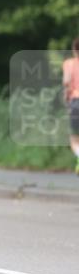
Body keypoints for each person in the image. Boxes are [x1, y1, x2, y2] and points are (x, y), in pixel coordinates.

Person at [63, 38, 79, 176]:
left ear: (74, 49)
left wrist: (66, 100)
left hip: (76, 101)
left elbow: (67, 83)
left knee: (74, 137)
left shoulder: (69, 64)